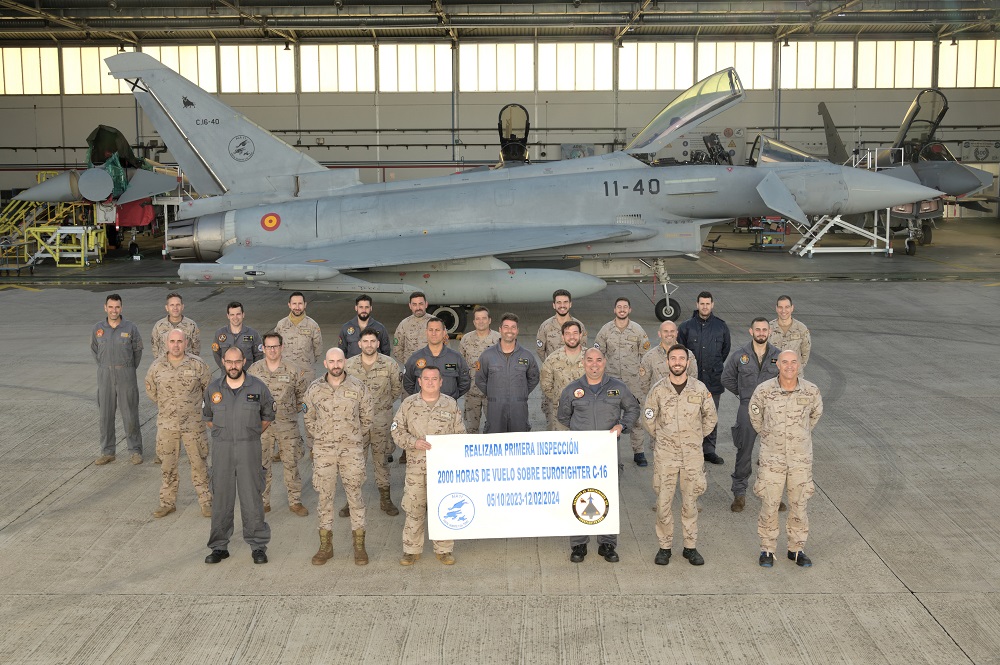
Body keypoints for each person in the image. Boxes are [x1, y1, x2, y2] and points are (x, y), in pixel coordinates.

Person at [558, 348, 640, 564]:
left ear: (605, 362)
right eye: (590, 360)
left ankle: (607, 543)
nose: (594, 365)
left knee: (608, 497)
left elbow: (633, 409)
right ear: (583, 363)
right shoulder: (572, 390)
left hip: (607, 455)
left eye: (599, 360)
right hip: (580, 455)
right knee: (579, 496)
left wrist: (622, 425)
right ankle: (578, 543)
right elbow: (563, 416)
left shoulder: (618, 388)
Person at [642, 344, 718, 567]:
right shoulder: (658, 389)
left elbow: (710, 417)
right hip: (666, 456)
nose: (677, 362)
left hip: (692, 456)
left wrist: (694, 437)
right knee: (664, 503)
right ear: (667, 362)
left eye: (681, 359)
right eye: (673, 358)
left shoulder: (699, 388)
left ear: (687, 362)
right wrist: (665, 438)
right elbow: (648, 418)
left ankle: (690, 547)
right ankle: (664, 547)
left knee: (691, 502)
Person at [749, 350, 823, 568]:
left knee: (799, 505)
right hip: (772, 459)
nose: (789, 366)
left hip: (800, 460)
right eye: (785, 362)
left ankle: (797, 549)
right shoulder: (764, 391)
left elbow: (814, 417)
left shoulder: (811, 391)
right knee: (769, 505)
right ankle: (767, 549)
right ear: (778, 365)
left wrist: (798, 437)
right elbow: (755, 417)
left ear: (799, 365)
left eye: (793, 362)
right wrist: (771, 437)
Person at [202, 347, 274, 565]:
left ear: (244, 361)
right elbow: (208, 417)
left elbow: (267, 416)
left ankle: (258, 545)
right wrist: (226, 434)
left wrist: (249, 434)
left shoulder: (258, 387)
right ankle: (219, 546)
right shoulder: (214, 389)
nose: (233, 366)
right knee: (221, 500)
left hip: (248, 449)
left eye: (237, 361)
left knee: (252, 499)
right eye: (229, 362)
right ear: (223, 362)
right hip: (222, 450)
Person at [303, 348, 375, 566]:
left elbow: (367, 417)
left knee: (355, 496)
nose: (336, 365)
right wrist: (323, 436)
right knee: (324, 498)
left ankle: (359, 546)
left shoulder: (358, 387)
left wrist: (351, 435)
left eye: (339, 361)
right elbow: (308, 418)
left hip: (351, 450)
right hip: (324, 450)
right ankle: (326, 546)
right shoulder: (314, 389)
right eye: (331, 361)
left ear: (345, 362)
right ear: (325, 363)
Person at [391, 365, 466, 566]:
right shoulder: (408, 404)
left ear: (441, 382)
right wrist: (413, 442)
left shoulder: (450, 405)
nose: (430, 382)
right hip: (416, 469)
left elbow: (460, 435)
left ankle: (444, 549)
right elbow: (396, 431)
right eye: (426, 378)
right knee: (414, 508)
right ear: (420, 382)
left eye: (435, 379)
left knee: (443, 508)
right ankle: (411, 549)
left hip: (443, 470)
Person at [144, 329, 213, 518]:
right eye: (172, 341)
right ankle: (167, 503)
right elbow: (151, 391)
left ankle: (206, 501)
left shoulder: (198, 365)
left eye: (179, 341)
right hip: (167, 425)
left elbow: (208, 390)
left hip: (193, 425)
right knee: (167, 465)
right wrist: (169, 408)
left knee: (199, 464)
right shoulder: (157, 366)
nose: (176, 345)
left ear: (186, 342)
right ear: (166, 343)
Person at [721, 317, 782, 513]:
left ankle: (773, 495)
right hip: (747, 409)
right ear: (751, 331)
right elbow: (726, 378)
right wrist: (742, 394)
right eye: (758, 329)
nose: (761, 333)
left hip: (772, 412)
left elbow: (788, 378)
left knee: (772, 455)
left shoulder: (778, 356)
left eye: (765, 330)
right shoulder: (740, 356)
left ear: (769, 332)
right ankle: (739, 494)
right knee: (744, 452)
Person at [247, 332, 310, 517]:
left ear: (282, 347)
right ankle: (263, 501)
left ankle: (295, 501)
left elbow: (302, 396)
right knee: (261, 465)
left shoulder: (293, 370)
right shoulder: (254, 370)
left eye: (276, 346)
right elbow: (247, 396)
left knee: (291, 464)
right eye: (269, 347)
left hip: (287, 426)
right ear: (263, 348)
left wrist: (289, 412)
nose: (272, 350)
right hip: (261, 428)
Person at [342, 328, 403, 517]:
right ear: (359, 344)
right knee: (354, 463)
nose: (369, 345)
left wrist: (381, 407)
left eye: (372, 341)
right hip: (356, 423)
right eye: (365, 341)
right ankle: (350, 501)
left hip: (381, 421)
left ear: (378, 344)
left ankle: (385, 499)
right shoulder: (349, 366)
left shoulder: (390, 364)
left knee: (381, 461)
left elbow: (396, 390)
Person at [594, 297, 651, 466]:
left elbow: (645, 356)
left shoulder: (638, 330)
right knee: (610, 418)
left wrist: (641, 378)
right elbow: (598, 354)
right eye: (619, 307)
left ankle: (639, 452)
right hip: (611, 381)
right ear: (614, 310)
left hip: (632, 382)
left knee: (636, 418)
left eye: (625, 307)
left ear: (629, 310)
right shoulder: (605, 330)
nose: (622, 309)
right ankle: (609, 453)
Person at [677, 291, 731, 466]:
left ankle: (709, 451)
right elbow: (681, 352)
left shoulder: (721, 327)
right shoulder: (686, 327)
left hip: (713, 381)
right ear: (697, 304)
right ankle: (691, 450)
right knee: (690, 416)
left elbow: (725, 351)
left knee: (711, 416)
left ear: (712, 305)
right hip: (692, 381)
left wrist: (713, 366)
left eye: (708, 304)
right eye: (702, 303)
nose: (705, 306)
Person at [91, 293, 144, 465]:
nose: (114, 310)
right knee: (105, 415)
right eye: (111, 307)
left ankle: (135, 450)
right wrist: (106, 367)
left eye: (117, 307)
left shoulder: (130, 328)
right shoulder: (98, 329)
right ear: (105, 308)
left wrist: (127, 368)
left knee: (130, 414)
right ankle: (107, 451)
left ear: (121, 308)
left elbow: (137, 351)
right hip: (105, 375)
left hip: (126, 375)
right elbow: (95, 351)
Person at [475, 313, 540, 434]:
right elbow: (480, 379)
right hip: (495, 409)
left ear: (517, 330)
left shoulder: (527, 356)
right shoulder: (487, 355)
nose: (509, 330)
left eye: (513, 327)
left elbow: (533, 379)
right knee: (494, 444)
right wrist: (494, 393)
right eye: (506, 327)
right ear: (500, 329)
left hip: (519, 409)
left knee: (519, 444)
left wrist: (521, 392)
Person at [536, 289, 588, 428]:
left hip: (578, 386)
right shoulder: (545, 327)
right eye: (558, 302)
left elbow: (584, 353)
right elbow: (541, 351)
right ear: (554, 305)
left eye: (565, 302)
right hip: (554, 383)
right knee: (553, 425)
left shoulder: (579, 326)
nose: (562, 305)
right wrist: (553, 368)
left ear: (570, 304)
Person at [402, 317, 471, 400]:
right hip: (422, 409)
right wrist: (422, 398)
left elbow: (465, 382)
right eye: (430, 330)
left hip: (447, 408)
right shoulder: (415, 358)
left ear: (444, 332)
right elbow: (408, 383)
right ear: (426, 332)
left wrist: (452, 397)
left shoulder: (456, 358)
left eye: (437, 330)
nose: (433, 333)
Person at [458, 306, 500, 433]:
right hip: (472, 393)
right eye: (478, 319)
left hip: (493, 393)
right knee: (471, 429)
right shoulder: (466, 339)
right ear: (474, 322)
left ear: (489, 320)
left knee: (495, 429)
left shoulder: (499, 339)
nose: (481, 321)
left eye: (484, 318)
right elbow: (462, 363)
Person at [539, 321, 585, 431]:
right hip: (561, 413)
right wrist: (560, 400)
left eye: (575, 333)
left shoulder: (591, 358)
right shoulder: (552, 359)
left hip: (586, 412)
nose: (572, 337)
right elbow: (546, 385)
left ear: (581, 335)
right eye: (568, 334)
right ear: (563, 337)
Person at [639, 320, 698, 398]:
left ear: (677, 333)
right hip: (659, 405)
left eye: (672, 331)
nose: (669, 334)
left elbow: (693, 379)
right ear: (659, 334)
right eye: (665, 331)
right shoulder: (650, 357)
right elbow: (644, 384)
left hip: (682, 405)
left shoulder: (688, 355)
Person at [274, 291, 323, 382]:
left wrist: (306, 363)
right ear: (289, 305)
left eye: (300, 304)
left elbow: (318, 350)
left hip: (306, 374)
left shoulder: (313, 325)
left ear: (305, 305)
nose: (297, 307)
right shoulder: (281, 325)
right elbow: (275, 347)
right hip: (285, 373)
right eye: (294, 304)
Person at [211, 301, 263, 373]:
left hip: (248, 376)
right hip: (227, 377)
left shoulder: (253, 334)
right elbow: (216, 354)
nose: (235, 317)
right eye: (232, 314)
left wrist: (252, 371)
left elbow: (259, 354)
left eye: (238, 314)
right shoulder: (220, 334)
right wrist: (225, 368)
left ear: (243, 315)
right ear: (228, 316)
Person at [339, 294, 391, 359]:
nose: (364, 310)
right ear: (356, 308)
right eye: (361, 307)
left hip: (375, 367)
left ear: (371, 308)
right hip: (353, 367)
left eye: (367, 307)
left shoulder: (380, 328)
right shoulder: (346, 328)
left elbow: (386, 351)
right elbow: (341, 351)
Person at [769, 295, 811, 375]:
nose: (783, 310)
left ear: (792, 308)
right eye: (780, 307)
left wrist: (794, 369)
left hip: (794, 377)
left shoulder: (801, 329)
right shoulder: (768, 328)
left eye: (787, 307)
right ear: (776, 308)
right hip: (772, 377)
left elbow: (805, 354)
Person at [150, 291, 201, 358]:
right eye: (172, 305)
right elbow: (155, 348)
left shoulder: (191, 325)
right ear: (167, 308)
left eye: (178, 305)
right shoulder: (159, 326)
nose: (175, 308)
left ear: (182, 307)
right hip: (165, 366)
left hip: (186, 366)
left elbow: (196, 348)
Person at [392, 291, 430, 365]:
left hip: (431, 368)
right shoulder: (404, 324)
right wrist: (409, 362)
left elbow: (445, 347)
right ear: (410, 306)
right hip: (410, 368)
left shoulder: (436, 323)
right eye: (414, 304)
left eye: (421, 304)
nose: (418, 308)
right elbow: (397, 349)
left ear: (426, 304)